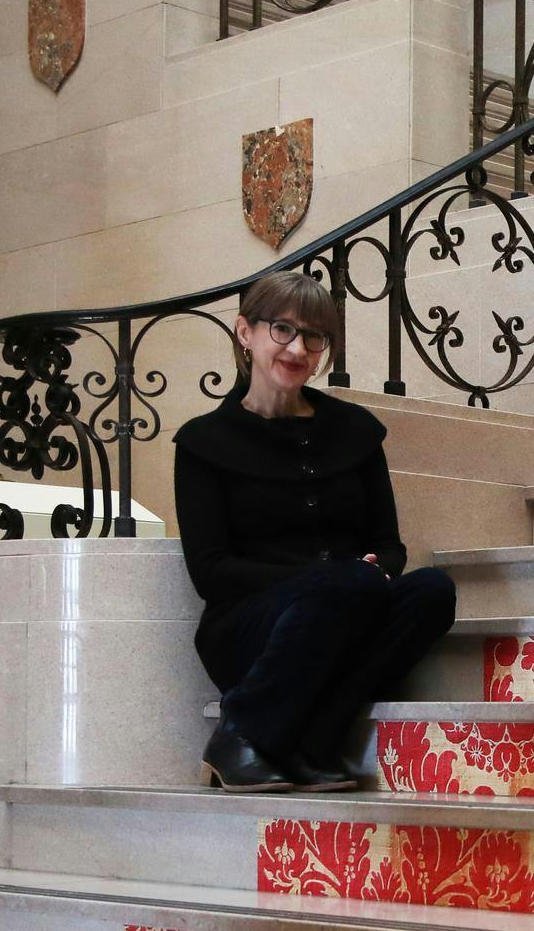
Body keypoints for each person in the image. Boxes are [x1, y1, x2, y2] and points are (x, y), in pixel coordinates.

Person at [174, 272, 456, 792]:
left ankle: (318, 739)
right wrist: (329, 577)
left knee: (434, 591)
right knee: (349, 584)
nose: (298, 348)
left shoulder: (356, 431)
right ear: (245, 332)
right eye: (282, 329)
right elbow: (212, 573)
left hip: (350, 605)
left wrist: (371, 571)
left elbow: (389, 545)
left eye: (315, 336)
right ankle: (237, 735)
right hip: (250, 631)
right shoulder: (203, 442)